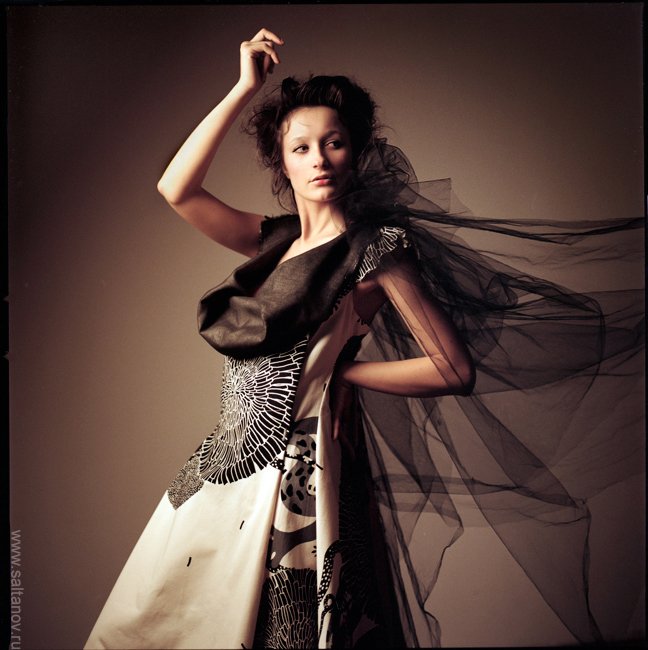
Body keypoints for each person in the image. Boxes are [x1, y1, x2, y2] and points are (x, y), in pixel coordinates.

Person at [85, 28, 643, 649]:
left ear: (355, 152)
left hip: (297, 480)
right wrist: (244, 87)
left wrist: (339, 374)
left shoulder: (376, 250)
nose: (319, 159)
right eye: (301, 147)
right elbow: (176, 190)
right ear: (281, 161)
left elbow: (452, 368)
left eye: (334, 143)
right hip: (224, 468)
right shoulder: (273, 240)